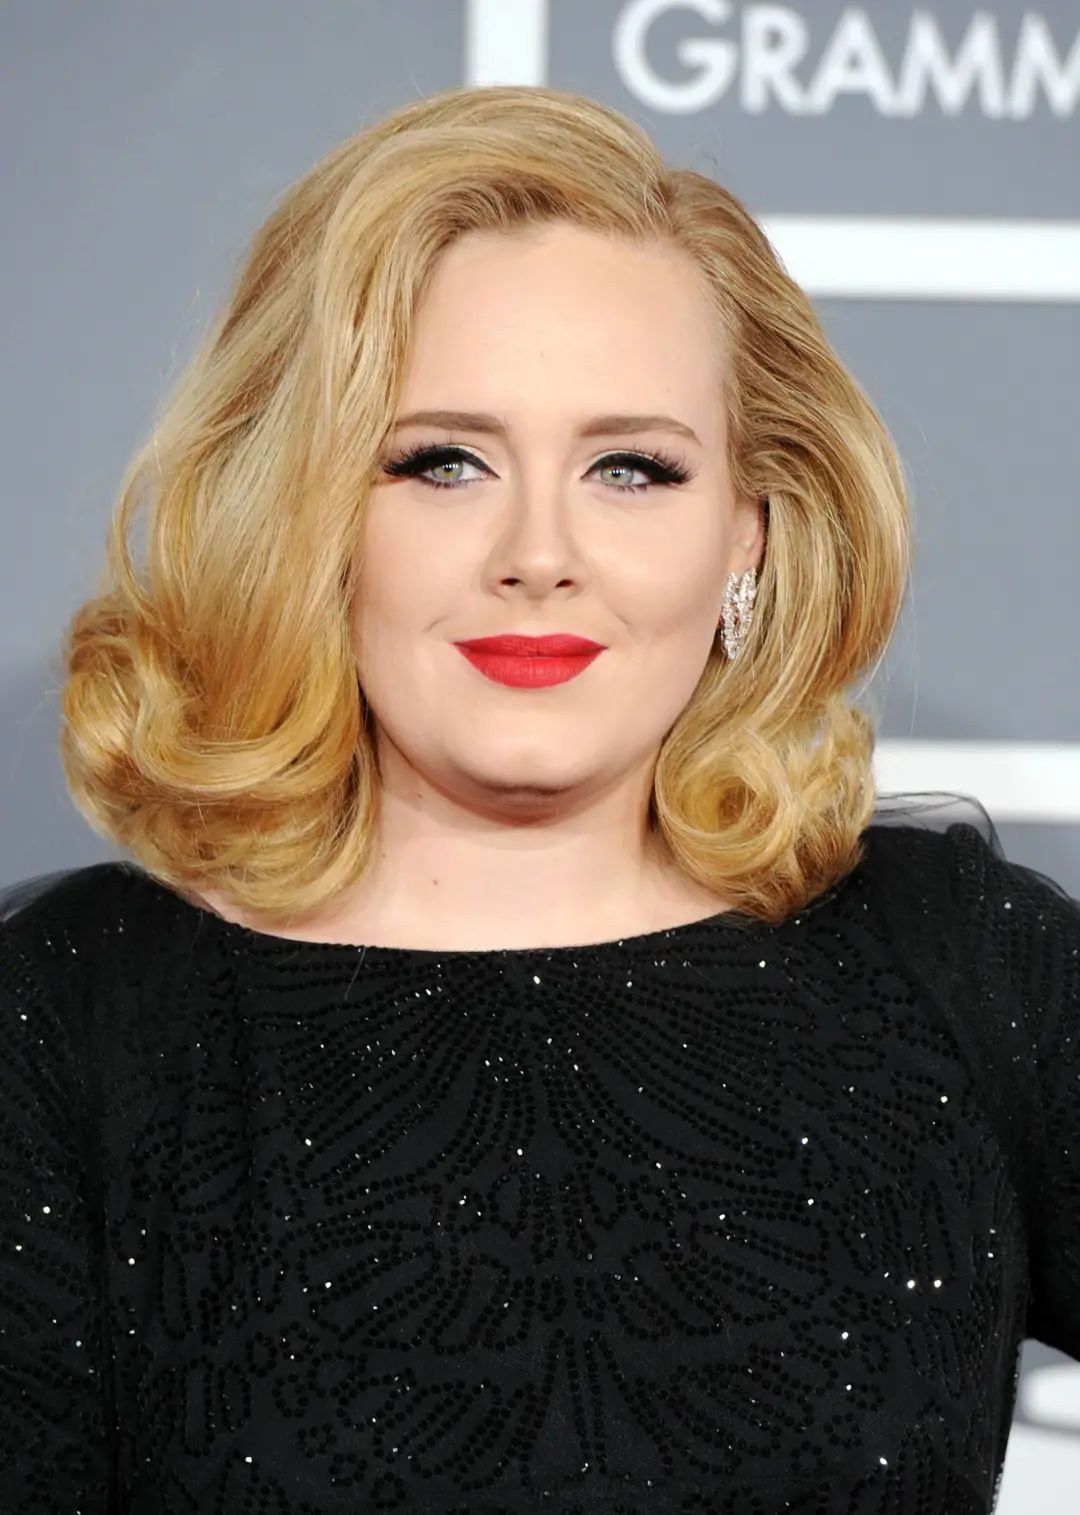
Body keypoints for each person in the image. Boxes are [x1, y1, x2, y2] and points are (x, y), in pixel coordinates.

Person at [1, 83, 1076, 1515]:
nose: (539, 552)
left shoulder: (961, 970)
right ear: (309, 515)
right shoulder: (74, 1026)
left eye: (631, 468)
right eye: (443, 462)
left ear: (747, 536)